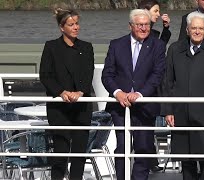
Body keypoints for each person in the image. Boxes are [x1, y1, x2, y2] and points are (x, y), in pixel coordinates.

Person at [101, 9, 166, 180]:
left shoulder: (157, 46)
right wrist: (118, 93)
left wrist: (140, 93)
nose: (144, 28)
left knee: (143, 147)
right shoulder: (116, 44)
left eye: (147, 25)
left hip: (145, 105)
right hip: (120, 106)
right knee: (122, 147)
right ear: (131, 26)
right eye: (140, 25)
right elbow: (107, 75)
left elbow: (158, 75)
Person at [162, 11, 204, 180]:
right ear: (187, 30)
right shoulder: (175, 49)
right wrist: (168, 111)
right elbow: (168, 81)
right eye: (194, 28)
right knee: (186, 159)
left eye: (201, 28)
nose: (197, 31)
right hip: (180, 112)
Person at [39, 8, 94, 180]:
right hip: (59, 109)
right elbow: (45, 75)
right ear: (62, 28)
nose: (76, 27)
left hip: (81, 107)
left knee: (79, 154)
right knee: (60, 152)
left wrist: (81, 92)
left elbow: (88, 73)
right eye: (71, 24)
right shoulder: (51, 47)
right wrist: (61, 92)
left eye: (77, 23)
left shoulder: (87, 47)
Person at [138, 0, 171, 172]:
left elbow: (159, 48)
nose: (158, 14)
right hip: (142, 86)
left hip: (153, 85)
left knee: (149, 124)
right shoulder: (139, 33)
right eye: (155, 11)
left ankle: (151, 161)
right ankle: (146, 161)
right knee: (143, 125)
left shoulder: (155, 33)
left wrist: (166, 30)